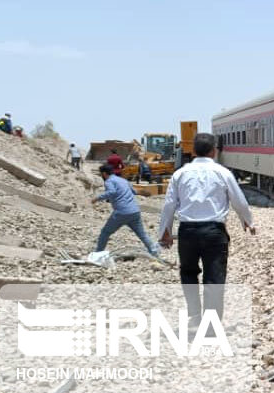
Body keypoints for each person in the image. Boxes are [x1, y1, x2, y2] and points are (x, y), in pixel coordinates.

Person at [157, 133, 255, 328]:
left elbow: (169, 204)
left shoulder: (180, 174)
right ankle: (211, 324)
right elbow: (238, 199)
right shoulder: (223, 172)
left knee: (188, 273)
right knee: (214, 277)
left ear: (193, 151)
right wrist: (247, 220)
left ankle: (194, 314)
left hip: (187, 232)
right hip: (214, 232)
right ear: (214, 151)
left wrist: (164, 232)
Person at [92, 164, 159, 255]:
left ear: (104, 173)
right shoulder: (123, 180)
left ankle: (98, 254)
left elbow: (111, 192)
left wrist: (97, 198)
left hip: (121, 212)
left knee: (105, 232)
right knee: (142, 234)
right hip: (134, 211)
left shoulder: (109, 181)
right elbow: (134, 191)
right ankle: (154, 252)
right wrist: (144, 192)